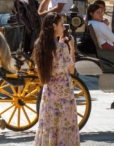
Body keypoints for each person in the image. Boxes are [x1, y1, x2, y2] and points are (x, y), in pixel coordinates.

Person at [33, 12, 79, 145]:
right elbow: (71, 69)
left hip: (49, 93)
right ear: (54, 26)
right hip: (64, 93)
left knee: (49, 125)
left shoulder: (39, 46)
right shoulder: (62, 47)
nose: (63, 28)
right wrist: (71, 48)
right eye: (61, 25)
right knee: (65, 127)